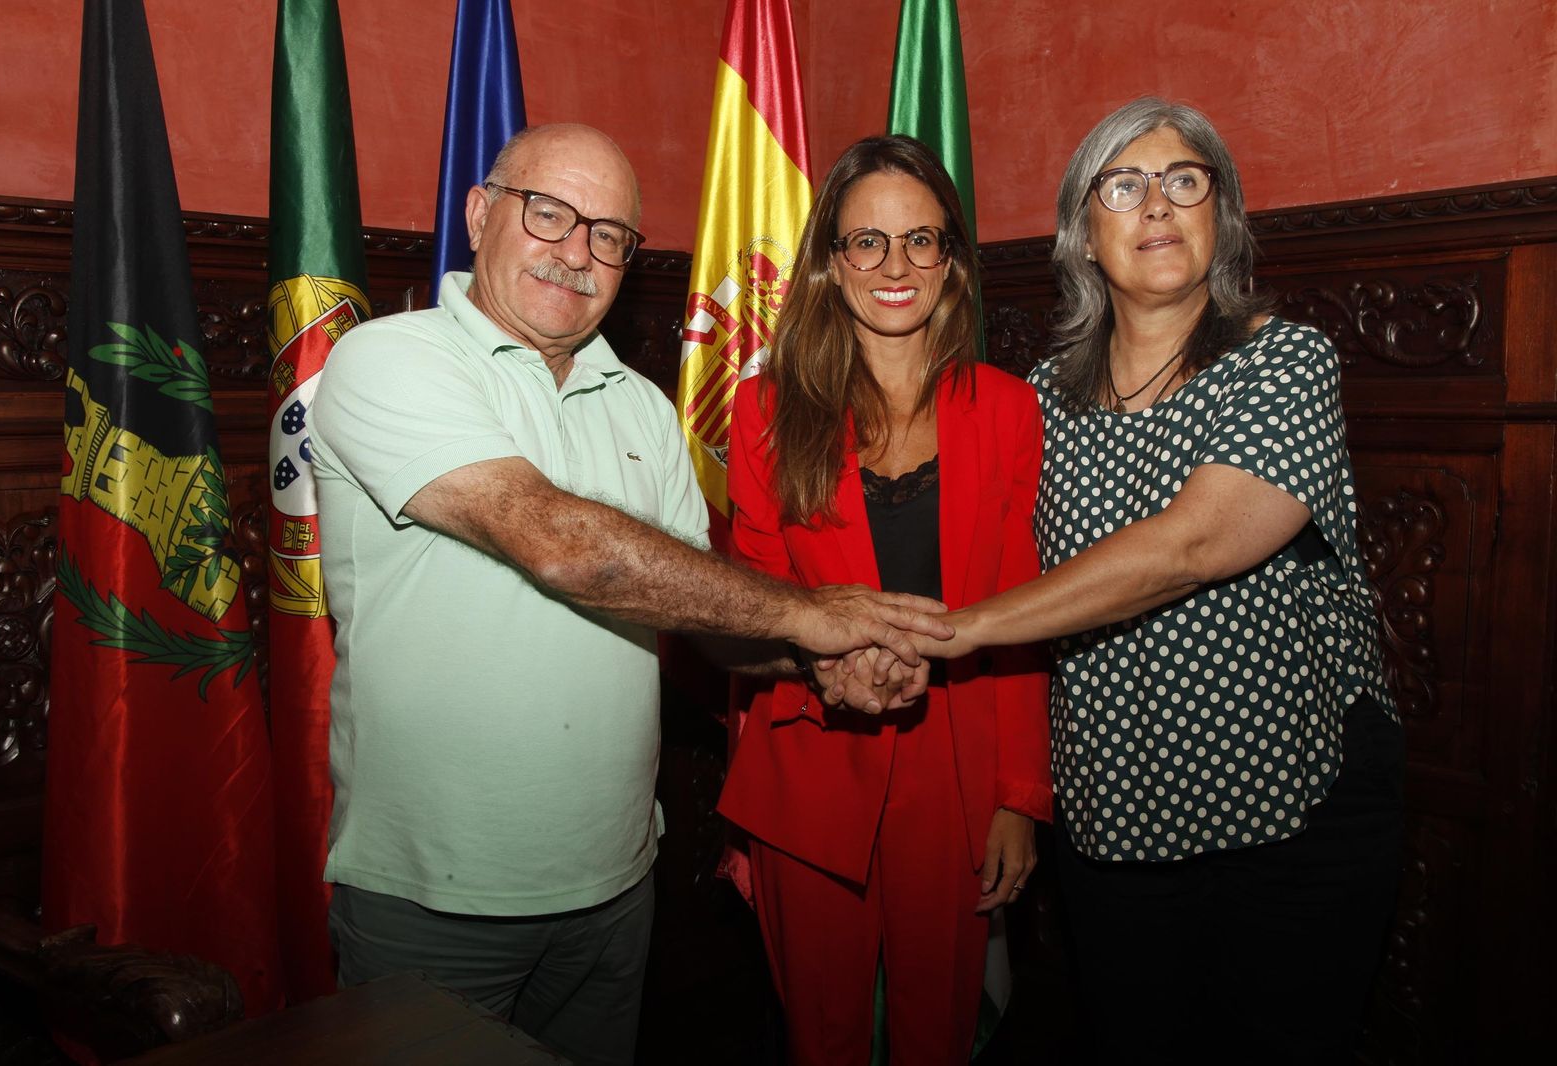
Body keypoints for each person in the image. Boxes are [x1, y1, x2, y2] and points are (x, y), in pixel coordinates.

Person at [306, 123, 949, 1066]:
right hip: (435, 898)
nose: (577, 252)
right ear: (482, 213)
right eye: (550, 214)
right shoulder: (388, 359)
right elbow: (562, 545)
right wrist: (814, 615)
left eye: (609, 234)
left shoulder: (642, 404)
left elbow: (698, 612)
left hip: (616, 885)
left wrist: (818, 662)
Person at [885, 98, 1404, 1065]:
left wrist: (948, 632)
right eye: (1122, 186)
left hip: (1293, 813)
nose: (1157, 204)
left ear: (1223, 218)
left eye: (1185, 181)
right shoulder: (1041, 397)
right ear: (1085, 234)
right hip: (1114, 813)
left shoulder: (1282, 362)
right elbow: (983, 551)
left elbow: (1195, 545)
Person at [716, 135, 1054, 1066]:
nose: (895, 266)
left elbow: (1026, 608)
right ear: (831, 262)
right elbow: (752, 596)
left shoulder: (1010, 409)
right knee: (818, 1038)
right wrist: (821, 662)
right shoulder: (768, 410)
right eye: (868, 242)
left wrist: (1019, 797)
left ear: (952, 263)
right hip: (812, 755)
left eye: (921, 241)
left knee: (936, 1036)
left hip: (959, 768)